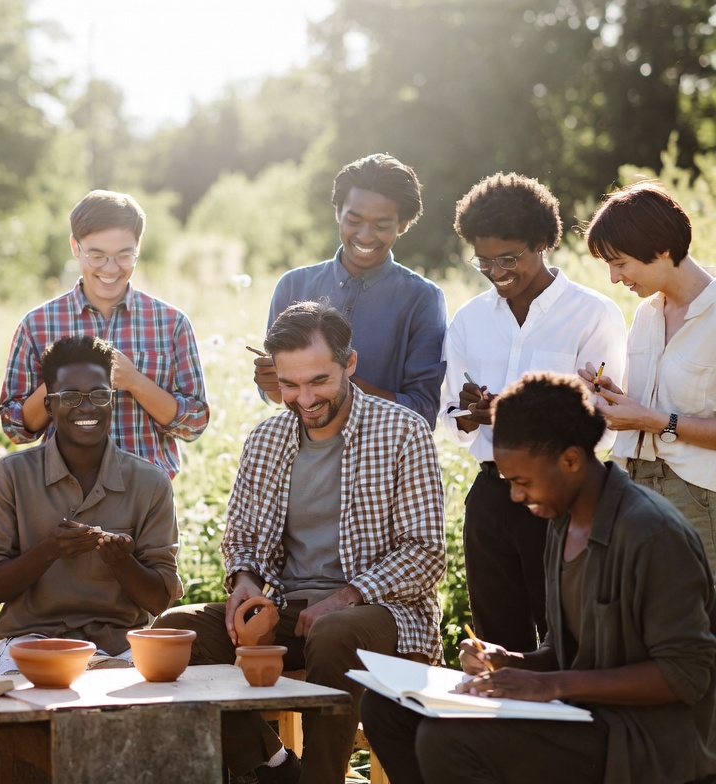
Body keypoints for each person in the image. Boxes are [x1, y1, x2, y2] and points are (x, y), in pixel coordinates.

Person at [361, 372, 716, 784]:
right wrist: (510, 662)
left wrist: (552, 686)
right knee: (386, 710)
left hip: (643, 741)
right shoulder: (563, 523)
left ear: (571, 460)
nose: (515, 496)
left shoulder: (651, 533)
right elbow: (568, 652)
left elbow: (684, 675)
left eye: (522, 482)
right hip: (582, 715)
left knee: (448, 739)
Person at [155, 301, 446, 784]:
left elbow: (425, 553)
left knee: (333, 631)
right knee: (174, 631)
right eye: (290, 384)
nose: (304, 398)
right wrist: (245, 583)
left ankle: (321, 778)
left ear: (349, 364)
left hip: (384, 616)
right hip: (289, 613)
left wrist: (346, 597)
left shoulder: (403, 431)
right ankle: (273, 767)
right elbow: (241, 538)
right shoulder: (266, 439)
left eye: (318, 381)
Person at [439, 172, 627, 654]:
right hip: (490, 498)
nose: (496, 272)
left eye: (508, 259)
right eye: (483, 261)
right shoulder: (469, 320)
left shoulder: (593, 315)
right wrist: (471, 413)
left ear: (542, 242)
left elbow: (605, 424)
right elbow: (453, 421)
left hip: (563, 499)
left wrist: (514, 415)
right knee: (497, 642)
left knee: (570, 640)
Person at [0, 336, 182, 674]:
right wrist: (49, 550)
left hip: (119, 646)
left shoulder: (150, 482)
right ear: (49, 406)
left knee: (129, 701)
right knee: (32, 702)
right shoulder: (11, 475)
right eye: (70, 396)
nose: (87, 407)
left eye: (99, 395)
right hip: (30, 640)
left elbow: (159, 600)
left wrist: (122, 561)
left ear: (112, 400)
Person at [0, 189, 209, 478]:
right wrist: (63, 374)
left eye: (124, 256)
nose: (110, 269)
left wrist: (135, 382)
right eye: (97, 256)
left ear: (138, 248)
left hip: (147, 492)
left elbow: (194, 423)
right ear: (75, 247)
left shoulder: (172, 323)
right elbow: (16, 429)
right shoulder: (37, 324)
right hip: (63, 493)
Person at [581, 181, 716, 574]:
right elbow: (652, 406)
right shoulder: (645, 314)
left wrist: (655, 421)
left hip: (698, 497)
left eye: (620, 263)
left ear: (661, 250)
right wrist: (615, 398)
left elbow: (657, 417)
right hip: (635, 489)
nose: (614, 277)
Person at [259, 153, 446, 427]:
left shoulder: (422, 298)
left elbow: (424, 410)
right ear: (338, 213)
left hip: (383, 449)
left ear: (403, 225)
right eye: (354, 221)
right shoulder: (292, 285)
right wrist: (272, 383)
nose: (365, 235)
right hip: (303, 448)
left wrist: (340, 383)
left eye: (381, 225)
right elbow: (275, 394)